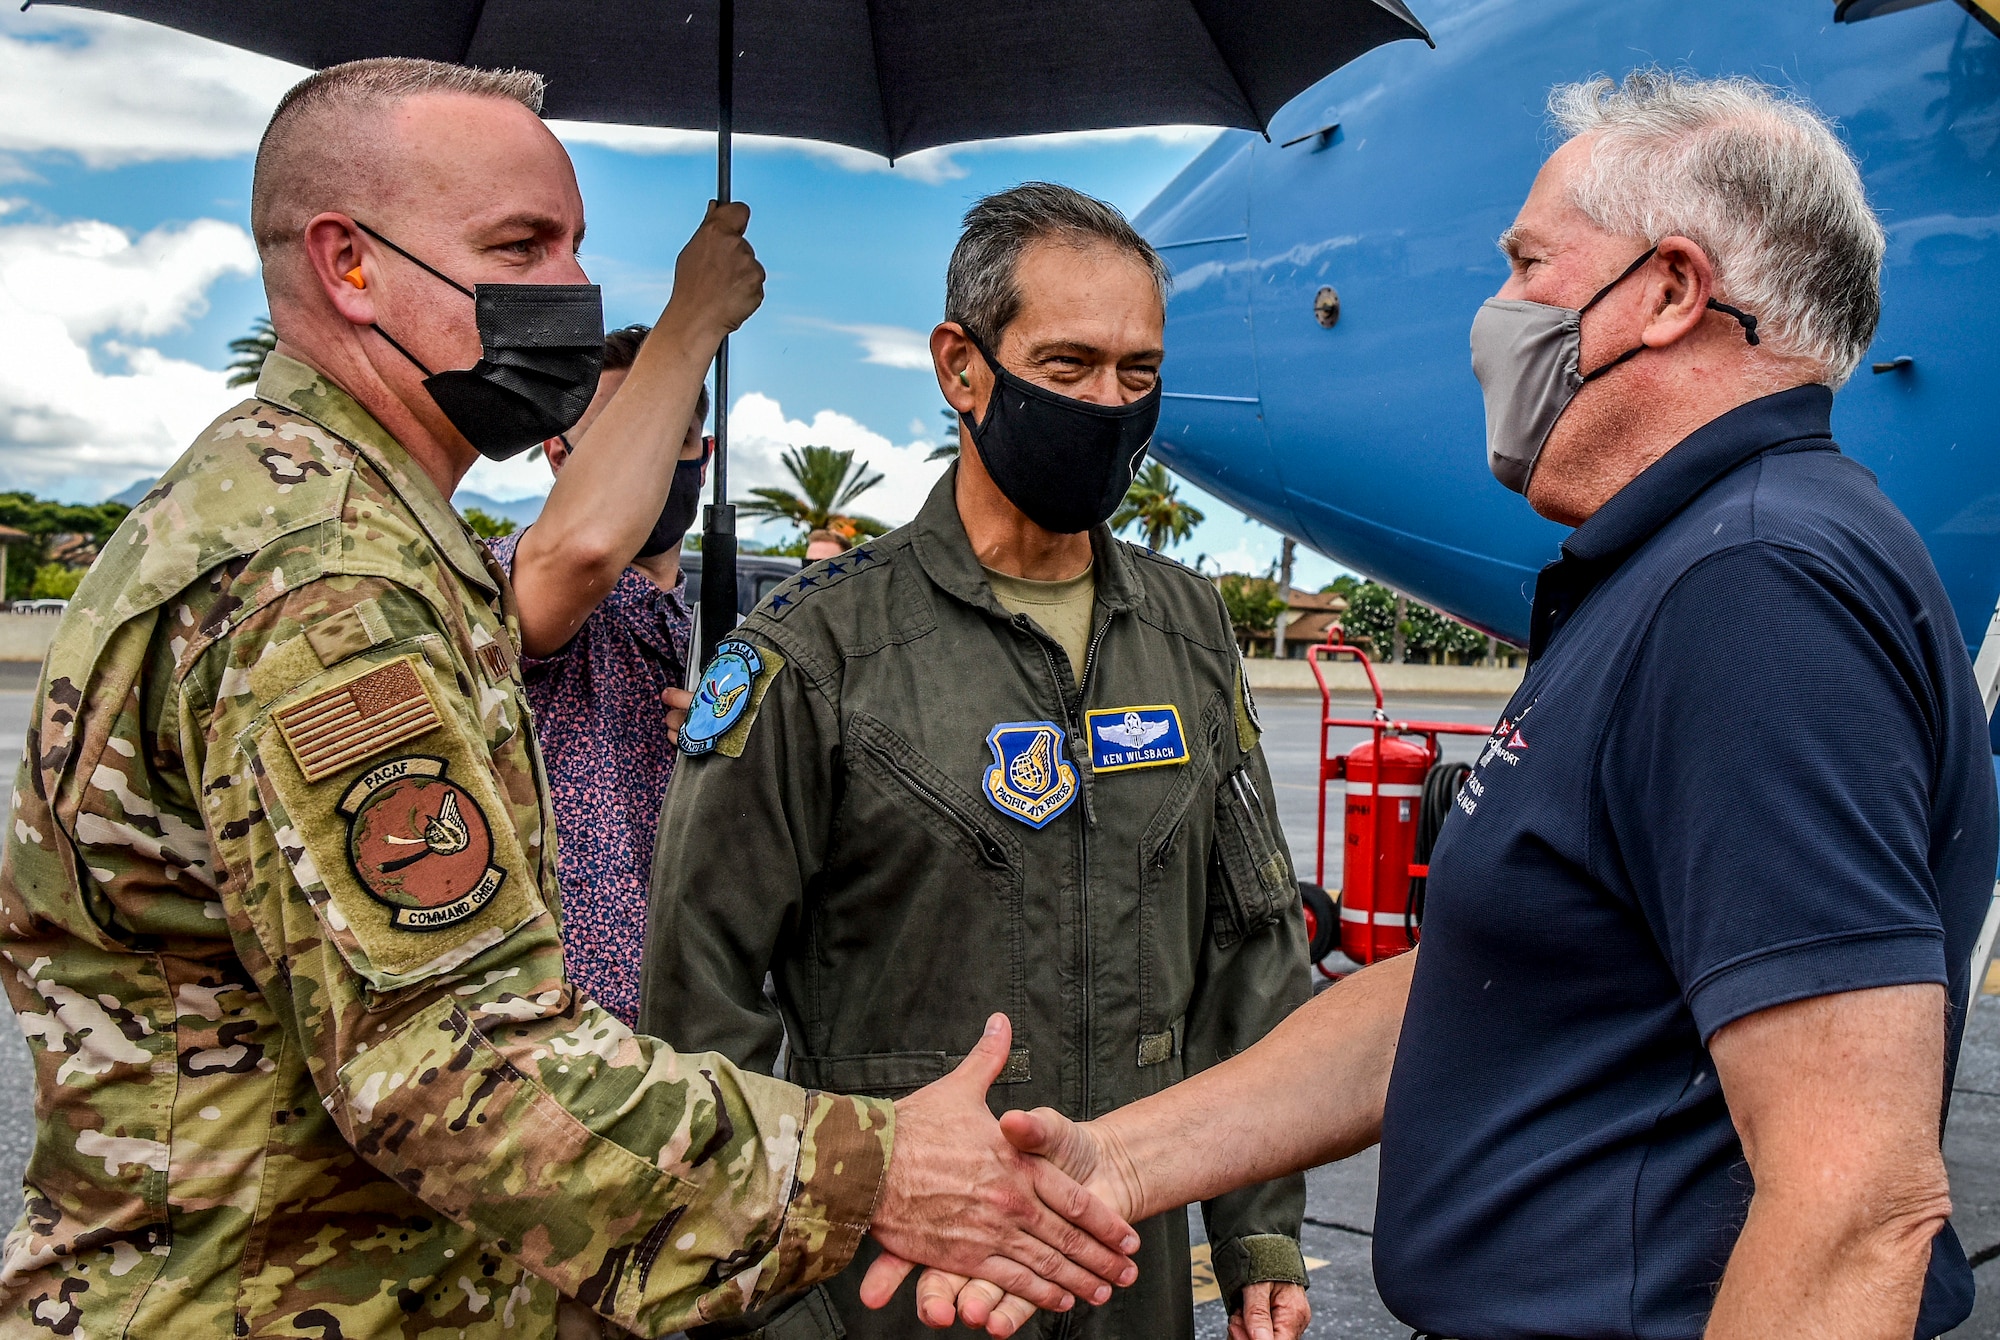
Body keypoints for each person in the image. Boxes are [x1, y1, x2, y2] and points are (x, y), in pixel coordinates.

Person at [0, 58, 1144, 1340]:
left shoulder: (341, 522)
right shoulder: (322, 581)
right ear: (348, 265)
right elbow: (459, 1067)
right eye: (521, 245)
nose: (571, 291)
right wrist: (881, 1165)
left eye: (573, 245)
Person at [890, 71, 2000, 1340]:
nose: (1496, 309)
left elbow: (1854, 1202)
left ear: (1667, 290)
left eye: (1528, 262)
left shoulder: (1752, 586)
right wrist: (1113, 1164)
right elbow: (1478, 982)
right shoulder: (1686, 563)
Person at [642, 182, 1311, 1340]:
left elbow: (1246, 940)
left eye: (1136, 373)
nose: (1107, 404)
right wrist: (786, 1297)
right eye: (1067, 367)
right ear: (962, 367)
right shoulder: (812, 651)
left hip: (1124, 1271)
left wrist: (1256, 1227)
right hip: (896, 1287)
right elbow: (696, 999)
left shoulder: (1188, 627)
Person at [487, 321, 712, 1026]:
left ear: (703, 456)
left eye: (669, 434)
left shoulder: (720, 637)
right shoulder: (511, 580)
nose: (649, 462)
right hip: (547, 1032)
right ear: (559, 454)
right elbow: (577, 557)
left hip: (683, 1038)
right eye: (623, 434)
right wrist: (699, 310)